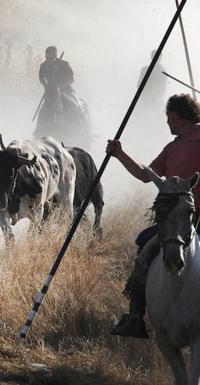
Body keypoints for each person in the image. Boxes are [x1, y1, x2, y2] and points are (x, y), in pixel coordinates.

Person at [107, 94, 200, 338]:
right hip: (174, 221)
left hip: (198, 216)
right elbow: (145, 174)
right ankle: (135, 317)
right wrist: (120, 154)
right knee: (145, 252)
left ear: (179, 117)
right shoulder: (173, 147)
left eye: (169, 118)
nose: (167, 123)